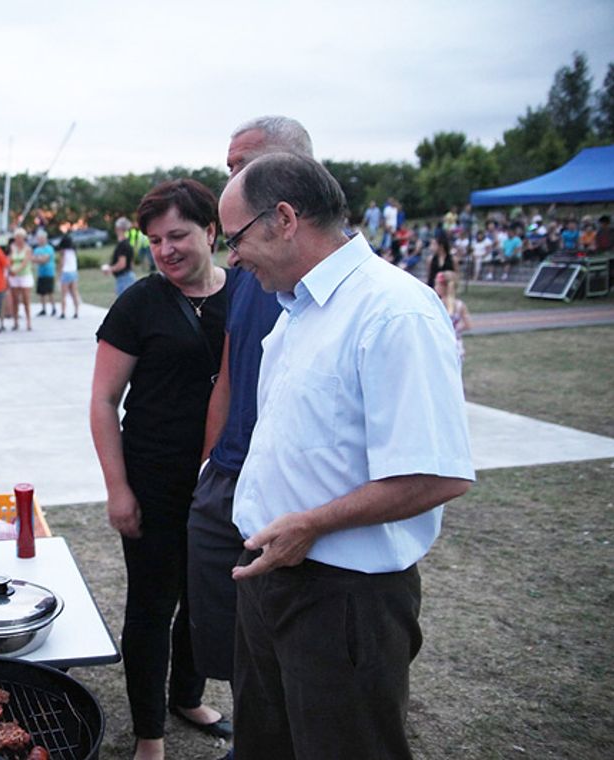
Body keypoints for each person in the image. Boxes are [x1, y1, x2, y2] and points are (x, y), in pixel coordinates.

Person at [218, 152, 474, 760]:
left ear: (284, 218)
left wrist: (311, 525)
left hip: (343, 599)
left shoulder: (394, 312)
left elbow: (436, 474)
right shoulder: (298, 309)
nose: (231, 256)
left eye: (236, 237)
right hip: (271, 576)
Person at [90, 179, 231, 760]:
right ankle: (150, 732)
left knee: (204, 597)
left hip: (220, 477)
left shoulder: (245, 291)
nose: (166, 249)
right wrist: (118, 489)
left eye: (178, 235)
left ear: (212, 231)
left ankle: (186, 696)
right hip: (150, 477)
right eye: (154, 240)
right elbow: (102, 403)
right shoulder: (139, 303)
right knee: (152, 606)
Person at [192, 115, 312, 760]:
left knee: (305, 662)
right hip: (231, 475)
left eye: (239, 165)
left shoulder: (355, 294)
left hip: (291, 497)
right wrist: (211, 465)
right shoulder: (249, 269)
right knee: (238, 643)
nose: (227, 177)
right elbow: (231, 375)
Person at [435, 270, 471, 364]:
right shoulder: (460, 305)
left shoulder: (437, 304)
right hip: (456, 345)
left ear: (443, 287)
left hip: (439, 344)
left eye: (437, 284)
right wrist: (456, 329)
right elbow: (468, 325)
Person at [7, 227, 34, 330]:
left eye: (20, 237)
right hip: (14, 277)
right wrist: (10, 270)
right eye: (16, 237)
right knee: (15, 300)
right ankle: (15, 322)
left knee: (26, 300)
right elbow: (9, 259)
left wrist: (15, 271)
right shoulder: (12, 247)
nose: (18, 239)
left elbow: (25, 262)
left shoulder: (28, 249)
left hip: (25, 275)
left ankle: (28, 322)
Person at [105, 217, 137, 295]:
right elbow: (131, 264)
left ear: (118, 229)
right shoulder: (128, 243)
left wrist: (110, 269)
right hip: (129, 276)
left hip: (124, 279)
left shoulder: (122, 245)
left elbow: (122, 264)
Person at [32, 229, 57, 316]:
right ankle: (43, 309)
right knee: (41, 292)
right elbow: (33, 259)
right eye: (39, 238)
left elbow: (45, 260)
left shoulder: (49, 248)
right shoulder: (36, 249)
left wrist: (39, 259)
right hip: (41, 273)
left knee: (50, 291)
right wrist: (39, 259)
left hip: (49, 273)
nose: (40, 240)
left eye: (41, 238)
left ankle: (53, 308)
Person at [57, 233, 81, 319]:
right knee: (74, 293)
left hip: (66, 272)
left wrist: (59, 273)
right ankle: (76, 311)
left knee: (64, 294)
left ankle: (63, 312)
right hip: (74, 272)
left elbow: (62, 263)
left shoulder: (63, 252)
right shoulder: (73, 251)